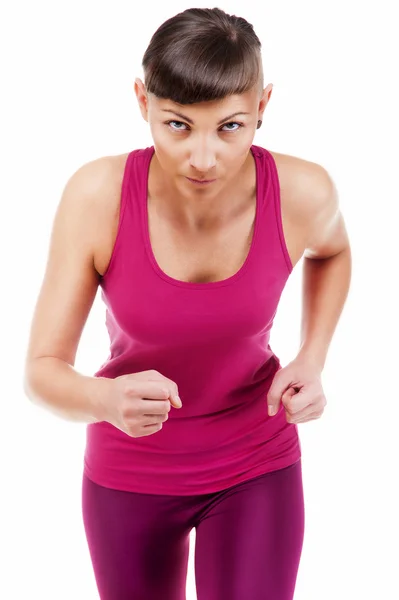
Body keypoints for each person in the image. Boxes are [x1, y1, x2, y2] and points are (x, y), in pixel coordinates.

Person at [23, 7, 351, 600]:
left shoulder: (304, 191)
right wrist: (104, 397)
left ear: (263, 107)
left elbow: (333, 252)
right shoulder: (97, 196)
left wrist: (313, 355)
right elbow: (40, 372)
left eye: (230, 126)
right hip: (130, 471)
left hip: (257, 461)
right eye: (178, 125)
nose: (204, 157)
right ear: (142, 102)